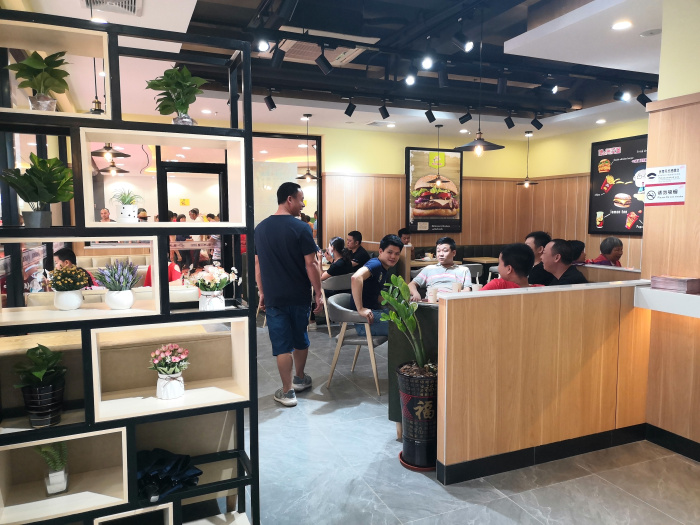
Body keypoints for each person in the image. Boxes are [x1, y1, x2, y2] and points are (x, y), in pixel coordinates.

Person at [255, 182, 323, 408]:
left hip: (274, 296)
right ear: (289, 199)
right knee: (300, 337)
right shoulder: (302, 228)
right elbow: (311, 264)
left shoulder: (260, 228)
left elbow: (258, 264)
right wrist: (318, 292)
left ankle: (287, 392)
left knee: (282, 345)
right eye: (301, 200)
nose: (303, 205)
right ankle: (300, 378)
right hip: (299, 294)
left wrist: (262, 292)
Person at [351, 234, 404, 336]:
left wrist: (394, 302)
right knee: (406, 328)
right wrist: (360, 309)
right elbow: (356, 278)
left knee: (409, 318)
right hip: (364, 322)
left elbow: (374, 295)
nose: (393, 256)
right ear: (380, 251)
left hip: (374, 314)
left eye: (397, 254)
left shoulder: (383, 268)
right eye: (390, 252)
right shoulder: (376, 264)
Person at [408, 237, 471, 301]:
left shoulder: (464, 270)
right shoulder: (429, 269)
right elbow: (411, 284)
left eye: (445, 251)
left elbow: (467, 290)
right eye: (438, 251)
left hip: (452, 302)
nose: (441, 254)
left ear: (454, 253)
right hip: (432, 302)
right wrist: (415, 294)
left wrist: (455, 295)